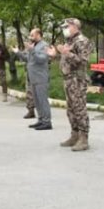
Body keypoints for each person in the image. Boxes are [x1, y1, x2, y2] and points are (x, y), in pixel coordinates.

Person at [47, 18, 92, 151]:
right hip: (68, 79)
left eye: (67, 26)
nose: (64, 29)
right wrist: (55, 55)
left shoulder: (82, 41)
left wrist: (67, 53)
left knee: (79, 108)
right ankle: (75, 134)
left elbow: (82, 62)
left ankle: (83, 138)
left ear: (75, 26)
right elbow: (66, 60)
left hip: (77, 79)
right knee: (71, 109)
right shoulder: (69, 41)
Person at [13, 28, 52, 130]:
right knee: (37, 101)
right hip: (32, 78)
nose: (30, 37)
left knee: (42, 100)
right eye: (30, 35)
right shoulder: (33, 45)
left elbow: (42, 59)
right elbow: (28, 59)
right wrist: (18, 52)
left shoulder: (44, 45)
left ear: (39, 35)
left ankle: (47, 122)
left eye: (32, 35)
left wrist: (32, 50)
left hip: (40, 78)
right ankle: (41, 120)